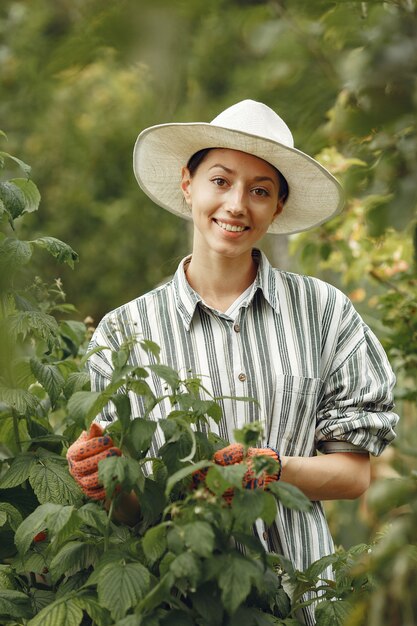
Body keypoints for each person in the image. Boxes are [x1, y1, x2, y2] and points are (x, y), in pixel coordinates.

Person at [67, 100, 399, 625]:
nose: (237, 204)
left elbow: (354, 474)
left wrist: (272, 469)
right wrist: (107, 479)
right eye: (220, 181)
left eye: (260, 190)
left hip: (298, 595)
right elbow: (130, 511)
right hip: (176, 596)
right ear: (188, 184)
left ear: (278, 208)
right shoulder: (125, 332)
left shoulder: (325, 313)